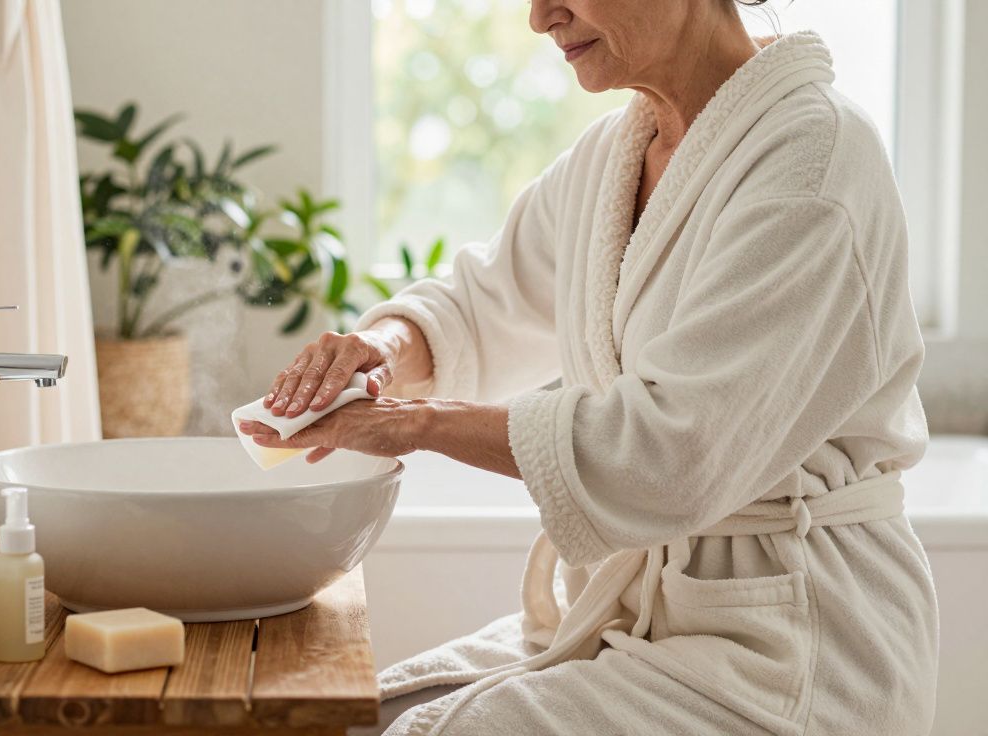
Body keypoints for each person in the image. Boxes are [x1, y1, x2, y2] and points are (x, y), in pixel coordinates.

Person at [237, 0, 938, 733]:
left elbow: (673, 452)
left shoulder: (814, 161)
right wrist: (377, 352)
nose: (541, 18)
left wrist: (413, 423)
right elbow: (483, 303)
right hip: (637, 621)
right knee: (345, 718)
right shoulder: (616, 155)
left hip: (787, 650)